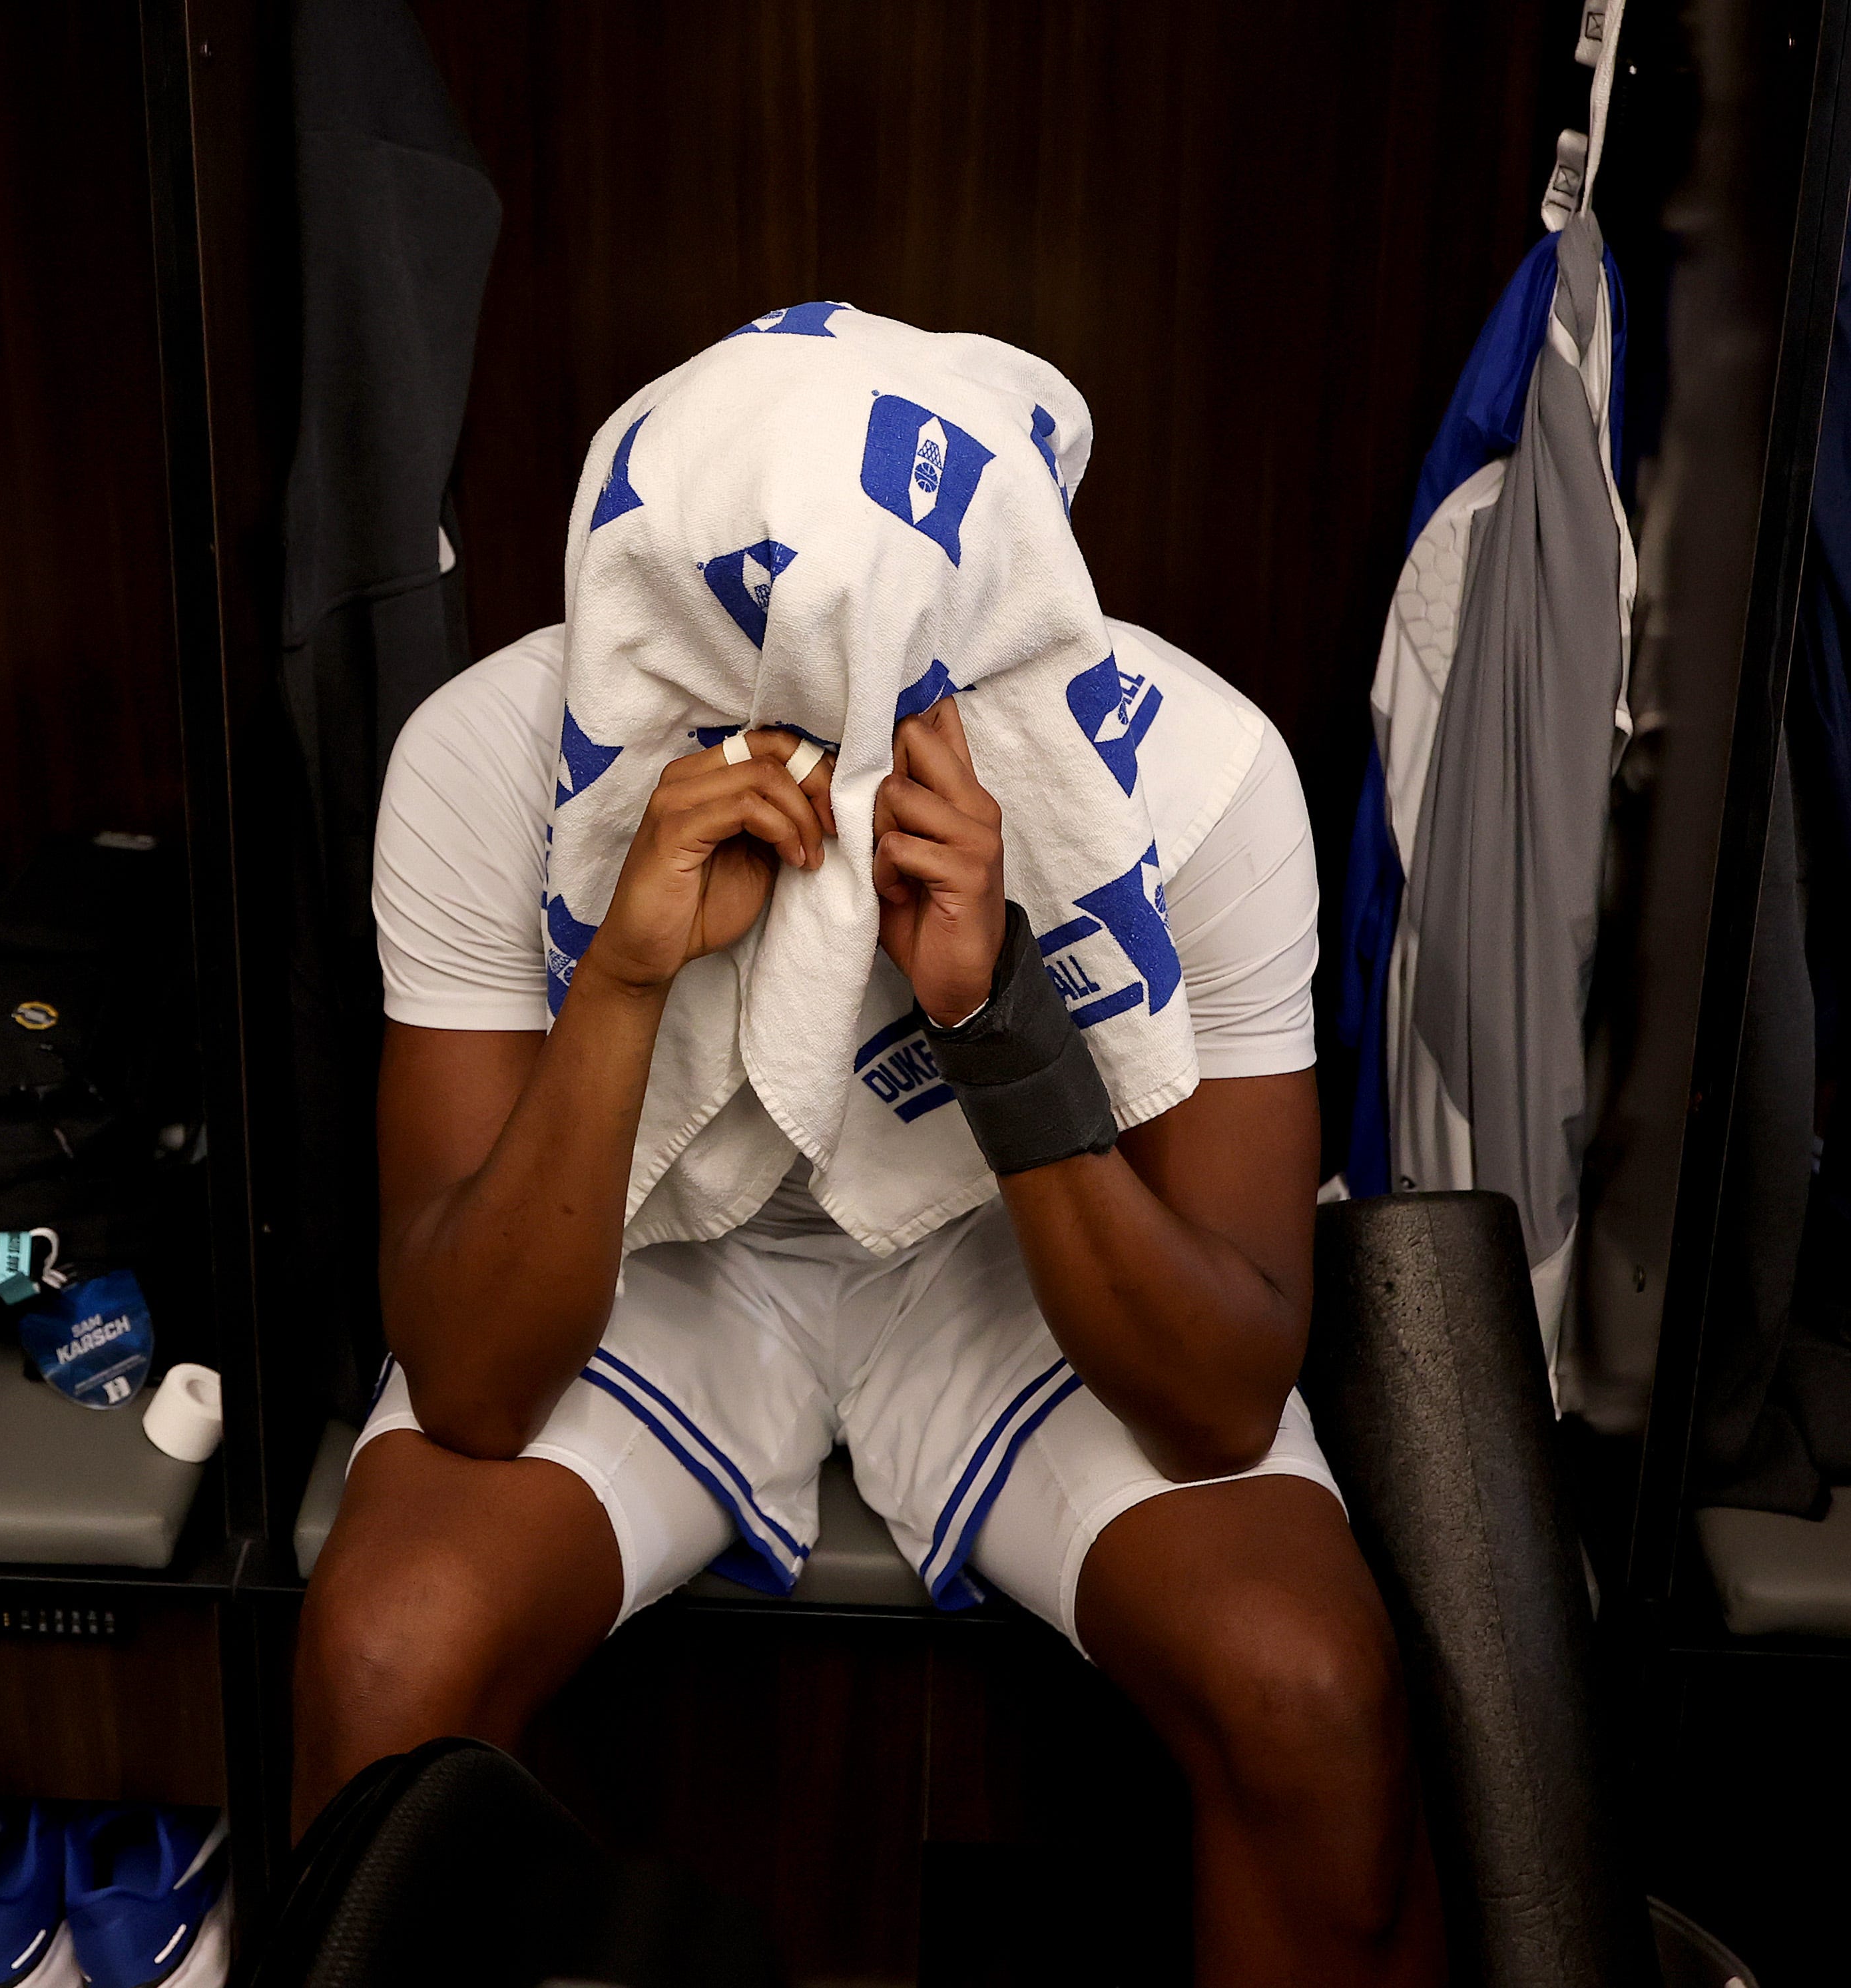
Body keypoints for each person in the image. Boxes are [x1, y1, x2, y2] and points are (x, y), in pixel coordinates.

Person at [296, 612, 1446, 1985]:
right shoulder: (500, 733)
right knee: (387, 1647)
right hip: (653, 1242)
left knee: (1303, 1686)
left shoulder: (1189, 752)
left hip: (1005, 1245)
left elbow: (1222, 1391)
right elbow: (472, 1383)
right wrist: (621, 973)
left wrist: (994, 1008)